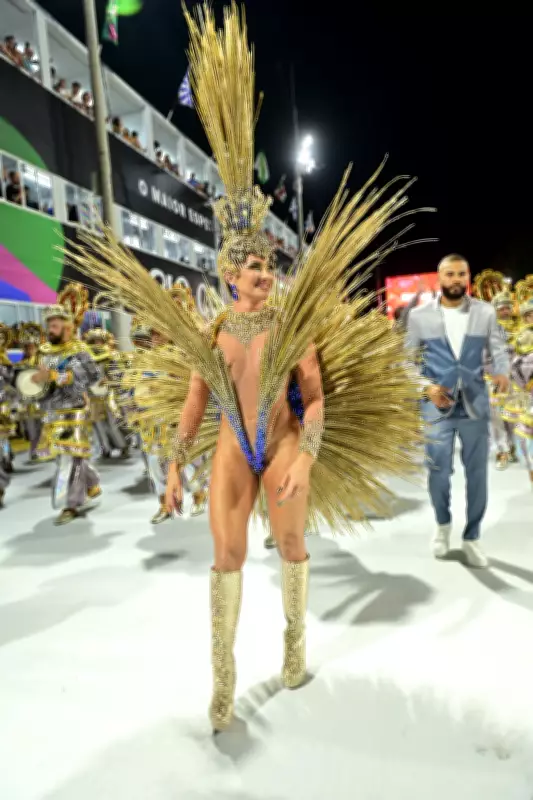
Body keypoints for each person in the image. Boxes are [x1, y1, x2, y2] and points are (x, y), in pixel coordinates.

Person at [72, 3, 425, 735]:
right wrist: (175, 466)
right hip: (233, 448)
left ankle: (294, 647)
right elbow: (195, 404)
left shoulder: (293, 328)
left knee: (290, 544)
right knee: (226, 554)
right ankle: (224, 683)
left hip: (286, 442)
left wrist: (310, 456)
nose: (265, 273)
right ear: (230, 277)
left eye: (269, 264)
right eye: (252, 266)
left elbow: (314, 397)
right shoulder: (212, 330)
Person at [406, 254, 510, 568]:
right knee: (438, 471)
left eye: (461, 274)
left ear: (468, 277)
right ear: (440, 278)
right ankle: (442, 526)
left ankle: (472, 537)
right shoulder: (419, 317)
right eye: (450, 274)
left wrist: (502, 371)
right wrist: (426, 387)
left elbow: (499, 348)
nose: (456, 280)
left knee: (478, 473)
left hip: (475, 404)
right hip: (436, 406)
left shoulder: (485, 312)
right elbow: (404, 363)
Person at [30, 284, 102, 525]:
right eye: (49, 325)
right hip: (52, 412)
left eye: (55, 325)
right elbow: (38, 382)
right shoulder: (44, 352)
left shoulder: (79, 350)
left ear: (67, 327)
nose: (50, 330)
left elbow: (92, 376)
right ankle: (92, 482)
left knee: (68, 460)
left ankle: (69, 504)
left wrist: (59, 376)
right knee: (67, 457)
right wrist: (35, 383)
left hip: (74, 411)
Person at [14, 323, 44, 460]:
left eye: (32, 346)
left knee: (43, 425)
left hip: (42, 399)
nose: (30, 349)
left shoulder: (42, 361)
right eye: (28, 347)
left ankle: (42, 449)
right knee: (31, 428)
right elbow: (17, 382)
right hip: (27, 401)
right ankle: (33, 449)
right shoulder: (19, 363)